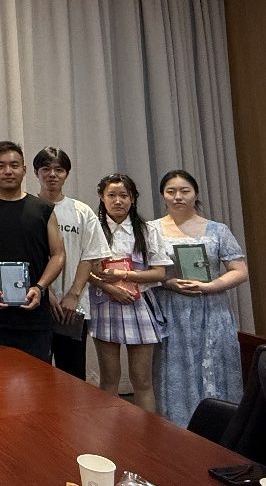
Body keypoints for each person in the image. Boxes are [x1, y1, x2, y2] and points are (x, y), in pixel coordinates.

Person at [151, 169, 249, 428]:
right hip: (171, 311)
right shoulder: (151, 230)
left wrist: (210, 286)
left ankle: (222, 431)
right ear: (163, 195)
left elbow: (240, 271)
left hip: (212, 310)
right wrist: (168, 282)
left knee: (216, 367)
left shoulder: (218, 230)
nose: (178, 197)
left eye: (185, 191)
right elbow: (146, 272)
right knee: (175, 369)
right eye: (171, 191)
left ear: (195, 194)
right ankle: (177, 432)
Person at [0, 140, 65, 362]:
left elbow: (58, 255)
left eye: (14, 165)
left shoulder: (43, 209)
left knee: (38, 377)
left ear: (24, 170)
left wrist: (40, 287)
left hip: (35, 314)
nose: (8, 171)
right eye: (0, 166)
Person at [88, 173, 170, 413]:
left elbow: (159, 273)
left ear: (133, 199)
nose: (118, 201)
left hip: (139, 303)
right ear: (102, 197)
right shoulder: (93, 229)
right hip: (104, 303)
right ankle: (110, 432)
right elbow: (85, 271)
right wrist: (110, 287)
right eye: (111, 195)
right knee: (109, 378)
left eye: (124, 195)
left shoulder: (146, 230)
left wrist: (123, 276)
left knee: (142, 380)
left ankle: (147, 432)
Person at [33, 146, 110, 380]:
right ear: (36, 172)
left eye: (59, 170)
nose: (52, 175)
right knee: (36, 374)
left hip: (72, 308)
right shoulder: (27, 208)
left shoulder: (81, 211)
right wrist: (45, 292)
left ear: (67, 173)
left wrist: (73, 295)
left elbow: (90, 255)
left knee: (72, 375)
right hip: (36, 304)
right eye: (46, 169)